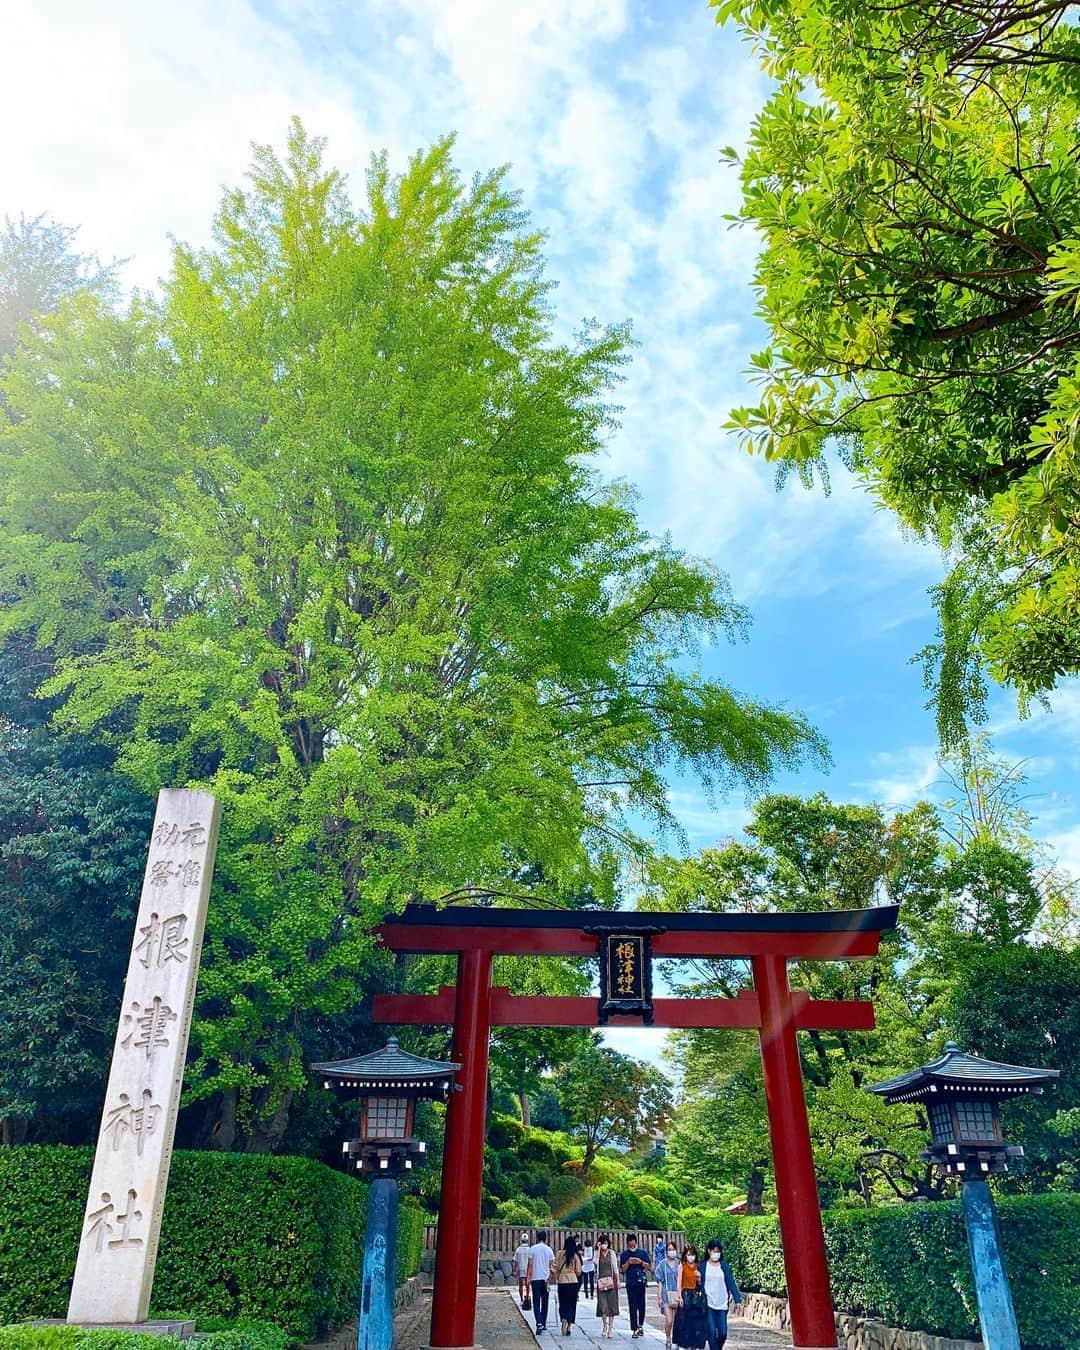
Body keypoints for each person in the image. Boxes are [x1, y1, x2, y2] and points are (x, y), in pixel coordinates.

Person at [702, 1238, 742, 1350]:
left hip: (722, 1303)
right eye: (714, 1251)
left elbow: (730, 1282)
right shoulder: (703, 1266)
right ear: (709, 1251)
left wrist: (737, 1299)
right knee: (711, 1331)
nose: (716, 1254)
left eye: (718, 1251)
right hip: (708, 1303)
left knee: (723, 1333)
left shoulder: (723, 1266)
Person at [673, 1245, 707, 1350]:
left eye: (692, 1254)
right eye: (688, 1255)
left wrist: (699, 1278)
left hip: (695, 1295)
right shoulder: (682, 1266)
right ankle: (681, 1342)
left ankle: (693, 1343)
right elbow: (679, 1282)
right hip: (685, 1293)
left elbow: (700, 1284)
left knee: (694, 1321)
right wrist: (680, 1296)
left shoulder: (698, 1266)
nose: (691, 1257)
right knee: (683, 1320)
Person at [619, 1232, 652, 1338]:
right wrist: (629, 1262)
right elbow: (622, 1270)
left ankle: (641, 1325)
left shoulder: (643, 1253)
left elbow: (649, 1267)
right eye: (630, 1244)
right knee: (632, 1305)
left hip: (641, 1282)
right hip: (630, 1282)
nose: (632, 1246)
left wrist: (640, 1262)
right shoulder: (624, 1254)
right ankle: (634, 1328)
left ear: (636, 1242)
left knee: (641, 1305)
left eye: (633, 1244)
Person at [552, 1234, 583, 1336]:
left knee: (563, 1303)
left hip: (562, 1281)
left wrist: (557, 1276)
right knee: (572, 1304)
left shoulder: (560, 1254)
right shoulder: (575, 1255)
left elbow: (554, 1267)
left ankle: (563, 1318)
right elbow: (579, 1271)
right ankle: (569, 1325)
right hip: (573, 1281)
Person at [527, 1229, 556, 1334]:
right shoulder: (549, 1250)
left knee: (536, 1302)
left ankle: (538, 1322)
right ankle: (543, 1323)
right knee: (545, 1302)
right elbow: (552, 1265)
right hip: (545, 1279)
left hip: (535, 1278)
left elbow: (529, 1265)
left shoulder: (532, 1249)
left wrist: (528, 1277)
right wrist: (552, 1276)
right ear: (545, 1238)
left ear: (537, 1238)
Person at [655, 1240, 682, 1350]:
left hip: (676, 1293)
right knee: (669, 1319)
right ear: (666, 1251)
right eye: (669, 1249)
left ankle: (676, 1338)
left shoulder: (679, 1264)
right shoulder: (662, 1264)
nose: (672, 1252)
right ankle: (667, 1337)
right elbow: (660, 1282)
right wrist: (659, 1297)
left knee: (676, 1320)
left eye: (673, 1249)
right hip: (666, 1294)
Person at [594, 1233, 620, 1339]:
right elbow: (595, 1263)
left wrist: (617, 1281)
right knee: (603, 1305)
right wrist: (599, 1249)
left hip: (611, 1280)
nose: (604, 1245)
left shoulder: (612, 1253)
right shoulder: (597, 1253)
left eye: (606, 1243)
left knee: (612, 1305)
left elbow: (615, 1267)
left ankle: (610, 1328)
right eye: (602, 1243)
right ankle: (604, 1325)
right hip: (601, 1281)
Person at [514, 1231, 533, 1308]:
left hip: (521, 1268)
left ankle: (522, 1300)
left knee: (521, 1285)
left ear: (521, 1240)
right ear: (527, 1241)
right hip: (528, 1269)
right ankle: (527, 1298)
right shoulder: (530, 1249)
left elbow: (515, 1260)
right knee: (528, 1285)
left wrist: (515, 1269)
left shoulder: (518, 1249)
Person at [580, 1233, 596, 1300]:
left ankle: (587, 1294)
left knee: (586, 1281)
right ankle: (591, 1295)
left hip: (586, 1266)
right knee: (591, 1281)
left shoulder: (586, 1250)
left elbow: (591, 1258)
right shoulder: (591, 1249)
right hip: (589, 1266)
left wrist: (585, 1259)